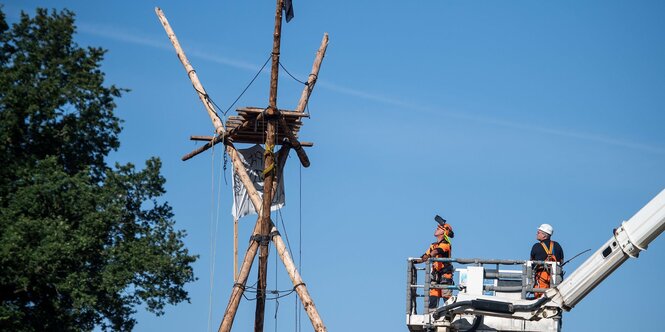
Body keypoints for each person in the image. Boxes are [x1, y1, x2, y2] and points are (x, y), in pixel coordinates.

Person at [414, 216, 455, 310]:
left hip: (445, 276)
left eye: (439, 228)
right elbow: (425, 256)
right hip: (435, 276)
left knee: (447, 297)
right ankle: (431, 315)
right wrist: (415, 261)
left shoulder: (446, 244)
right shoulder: (433, 245)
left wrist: (428, 256)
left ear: (444, 232)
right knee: (433, 296)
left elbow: (436, 251)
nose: (436, 229)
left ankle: (449, 315)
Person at [530, 223, 564, 298]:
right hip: (555, 278)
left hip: (542, 277)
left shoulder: (536, 246)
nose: (536, 234)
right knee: (554, 297)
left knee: (540, 299)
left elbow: (531, 263)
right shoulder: (557, 246)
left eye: (538, 232)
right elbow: (561, 261)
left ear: (544, 235)